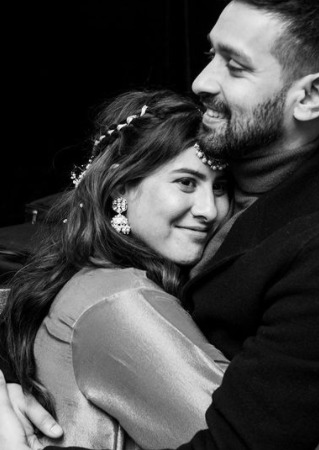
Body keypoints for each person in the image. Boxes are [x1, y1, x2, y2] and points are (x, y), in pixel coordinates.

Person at [0, 0, 319, 449]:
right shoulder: (210, 150)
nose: (201, 81)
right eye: (211, 53)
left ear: (310, 97)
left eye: (236, 66)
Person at [0, 88, 234, 449]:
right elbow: (247, 436)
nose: (209, 209)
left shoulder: (95, 277)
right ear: (121, 189)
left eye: (220, 187)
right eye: (186, 182)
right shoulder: (122, 301)